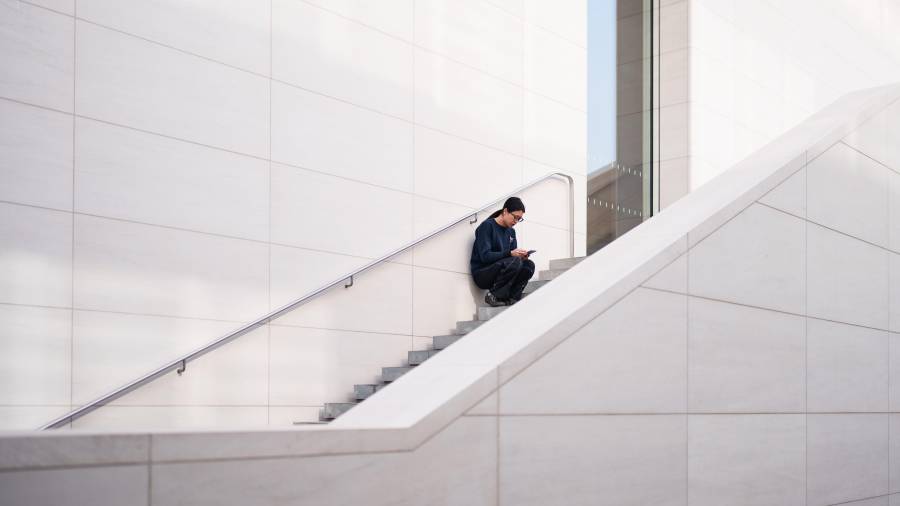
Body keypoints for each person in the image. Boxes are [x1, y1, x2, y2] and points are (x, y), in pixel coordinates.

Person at [470, 197, 535, 307]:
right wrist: (510, 254)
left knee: (528, 265)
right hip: (483, 273)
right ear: (505, 211)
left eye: (519, 219)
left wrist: (521, 257)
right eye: (515, 217)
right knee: (514, 261)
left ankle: (512, 298)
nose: (516, 221)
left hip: (501, 271)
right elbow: (485, 256)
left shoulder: (511, 232)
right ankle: (493, 295)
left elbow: (513, 258)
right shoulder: (487, 226)